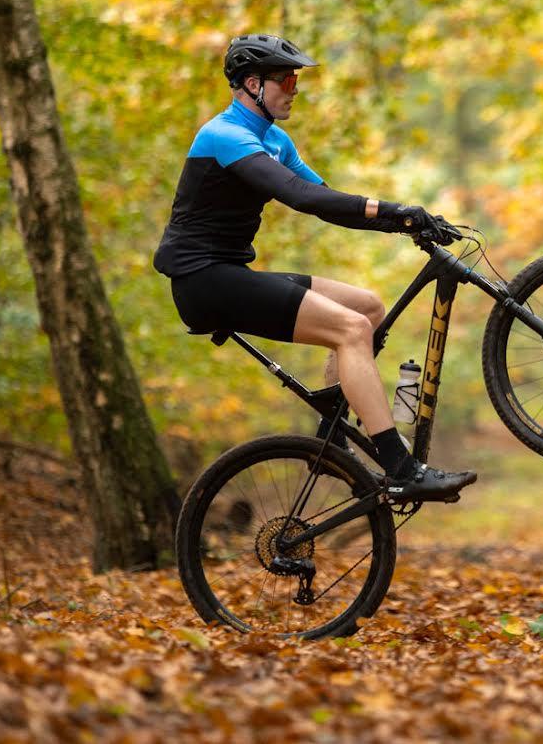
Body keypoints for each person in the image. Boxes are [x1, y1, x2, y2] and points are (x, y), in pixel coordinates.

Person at [154, 33, 477, 503]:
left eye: (296, 81)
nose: (294, 90)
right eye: (286, 81)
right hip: (203, 281)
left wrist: (408, 222)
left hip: (228, 273)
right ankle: (402, 469)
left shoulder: (274, 140)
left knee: (367, 309)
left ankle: (330, 438)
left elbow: (328, 202)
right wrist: (395, 210)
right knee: (350, 329)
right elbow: (300, 196)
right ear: (252, 84)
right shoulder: (225, 135)